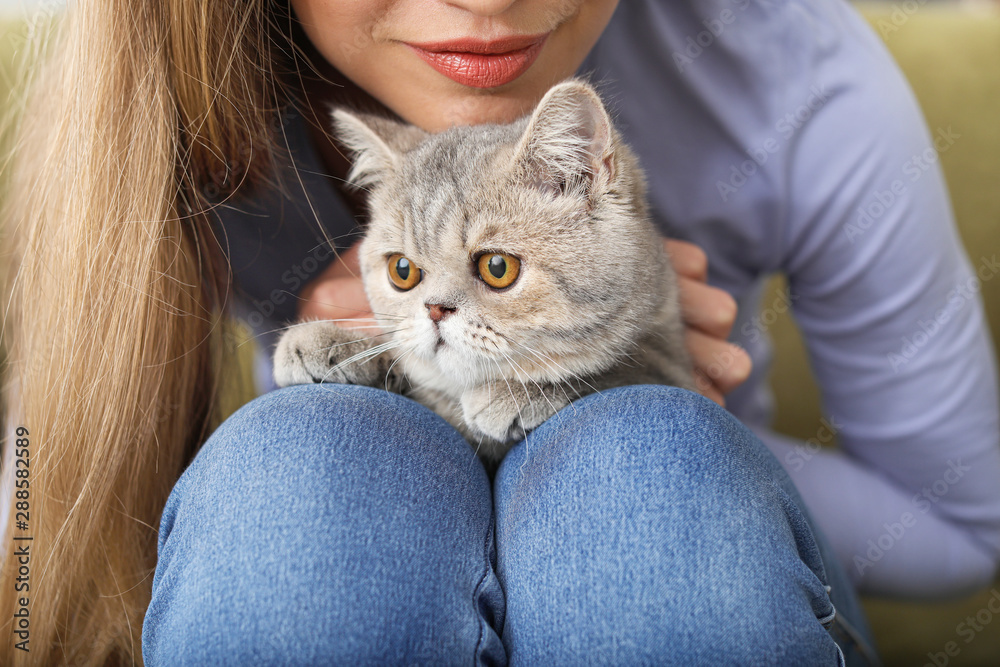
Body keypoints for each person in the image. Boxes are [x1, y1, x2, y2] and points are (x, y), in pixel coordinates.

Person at [1, 0, 997, 664]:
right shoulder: (177, 101)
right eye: (400, 271)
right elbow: (39, 545)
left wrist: (656, 401)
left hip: (695, 563)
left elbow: (962, 532)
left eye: (491, 266)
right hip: (344, 534)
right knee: (307, 477)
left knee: (640, 476)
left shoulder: (783, 61)